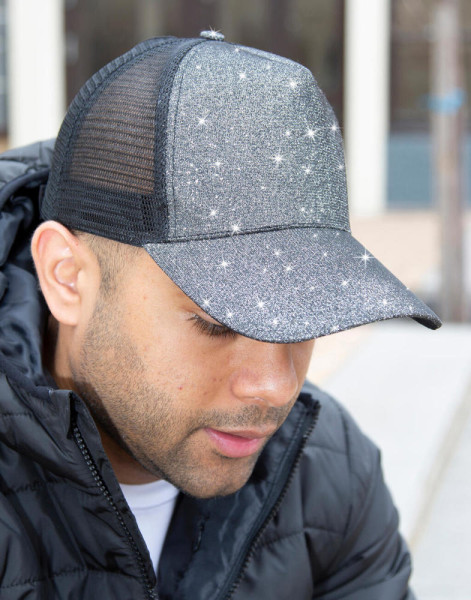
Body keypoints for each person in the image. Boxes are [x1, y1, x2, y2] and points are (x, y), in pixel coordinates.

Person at [0, 31, 440, 599]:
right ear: (68, 277)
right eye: (216, 322)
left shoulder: (330, 472)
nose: (275, 388)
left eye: (305, 315)